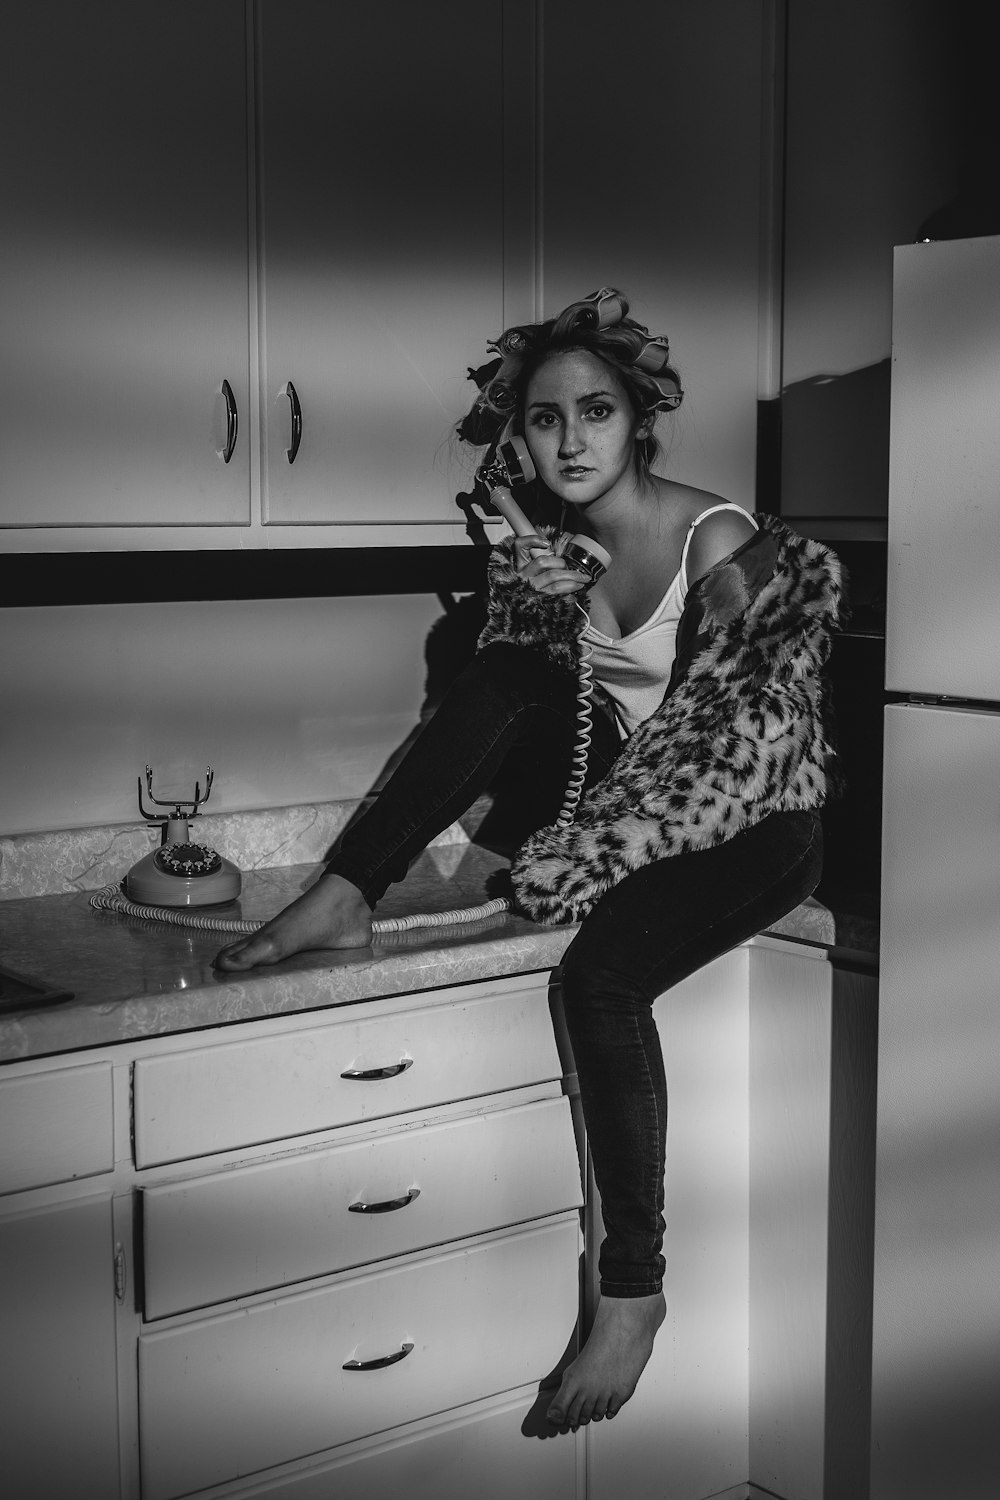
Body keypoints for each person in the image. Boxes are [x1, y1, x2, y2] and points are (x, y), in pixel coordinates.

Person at [215, 288, 843, 1431]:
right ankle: (345, 893)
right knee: (500, 676)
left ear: (636, 420)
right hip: (633, 810)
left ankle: (634, 1294)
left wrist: (584, 858)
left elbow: (734, 757)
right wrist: (532, 584)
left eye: (594, 412)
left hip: (758, 821)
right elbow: (532, 714)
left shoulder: (722, 544)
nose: (569, 441)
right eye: (544, 420)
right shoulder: (555, 543)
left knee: (600, 975)